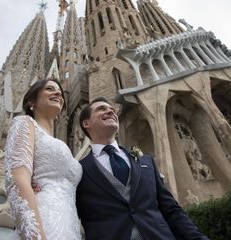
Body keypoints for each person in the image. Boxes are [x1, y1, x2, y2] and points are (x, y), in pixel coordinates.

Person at [76, 97, 209, 240]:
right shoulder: (79, 170)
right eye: (101, 109)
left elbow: (171, 209)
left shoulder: (146, 161)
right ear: (86, 123)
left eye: (112, 110)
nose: (110, 111)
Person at [5, 79, 82, 240]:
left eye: (59, 91)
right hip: (43, 225)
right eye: (49, 89)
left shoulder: (59, 143)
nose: (58, 93)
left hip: (70, 228)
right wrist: (35, 235)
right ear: (32, 101)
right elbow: (16, 179)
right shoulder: (24, 123)